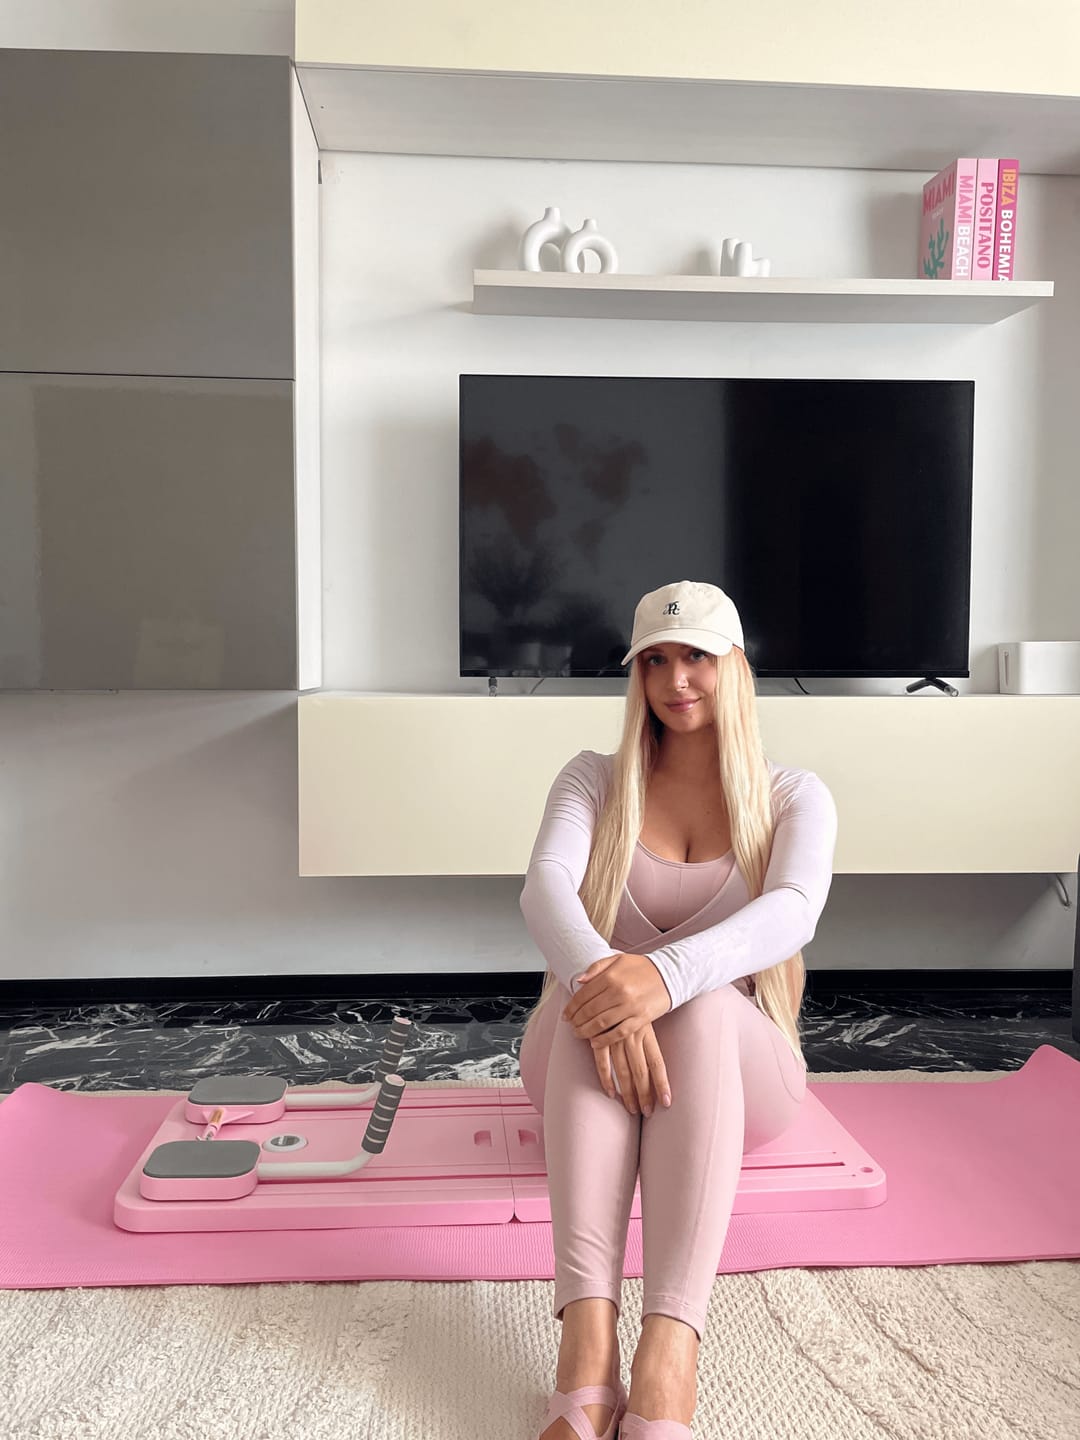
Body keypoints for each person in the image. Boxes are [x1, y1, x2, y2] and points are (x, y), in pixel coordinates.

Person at [517, 579, 839, 1440]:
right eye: (654, 661)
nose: (675, 679)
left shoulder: (794, 795)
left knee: (700, 1006)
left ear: (736, 665)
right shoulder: (591, 778)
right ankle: (586, 1354)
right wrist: (610, 984)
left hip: (740, 1074)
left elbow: (794, 910)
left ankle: (669, 1353)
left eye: (697, 655)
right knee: (592, 997)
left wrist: (662, 978)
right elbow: (544, 888)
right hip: (579, 1060)